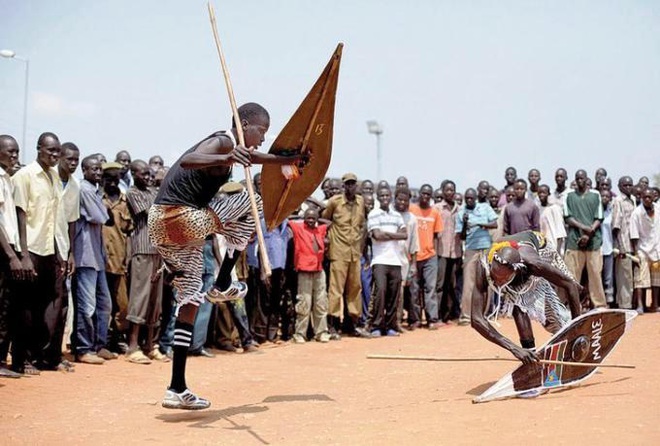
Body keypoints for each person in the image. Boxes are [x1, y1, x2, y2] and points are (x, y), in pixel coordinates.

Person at [148, 102, 300, 410]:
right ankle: (221, 281)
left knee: (190, 299)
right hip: (176, 217)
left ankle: (176, 387)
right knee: (253, 203)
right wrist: (227, 155)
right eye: (261, 131)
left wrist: (286, 159)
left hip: (165, 229)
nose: (262, 138)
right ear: (245, 124)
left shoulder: (238, 151)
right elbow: (190, 159)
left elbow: (254, 158)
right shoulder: (223, 140)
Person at [470, 231, 582, 390]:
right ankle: (532, 358)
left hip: (541, 248)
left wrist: (576, 326)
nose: (498, 282)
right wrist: (514, 348)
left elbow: (569, 285)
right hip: (517, 264)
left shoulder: (534, 264)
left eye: (503, 279)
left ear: (516, 270)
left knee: (554, 321)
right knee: (516, 302)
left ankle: (569, 344)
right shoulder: (483, 265)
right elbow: (476, 320)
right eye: (495, 277)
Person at [12, 132, 75, 374]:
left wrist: (62, 252)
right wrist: (24, 255)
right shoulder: (25, 176)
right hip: (30, 250)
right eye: (51, 151)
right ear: (39, 149)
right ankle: (21, 360)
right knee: (24, 309)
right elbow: (21, 215)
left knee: (48, 308)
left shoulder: (53, 178)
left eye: (58, 151)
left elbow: (57, 220)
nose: (55, 155)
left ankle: (43, 356)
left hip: (50, 250)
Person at [72, 156, 115, 364]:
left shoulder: (96, 191)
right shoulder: (85, 190)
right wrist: (104, 210)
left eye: (100, 169)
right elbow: (102, 217)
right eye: (93, 169)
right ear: (84, 170)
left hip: (97, 256)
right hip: (85, 256)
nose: (98, 172)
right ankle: (83, 348)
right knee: (87, 305)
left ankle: (99, 345)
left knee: (104, 304)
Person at [126, 160, 165, 365]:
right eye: (144, 174)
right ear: (133, 174)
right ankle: (133, 347)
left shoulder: (153, 192)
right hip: (142, 249)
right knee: (139, 299)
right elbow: (154, 214)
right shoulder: (133, 193)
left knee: (154, 302)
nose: (149, 178)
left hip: (158, 250)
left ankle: (151, 345)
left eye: (151, 175)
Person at [322, 173, 370, 338]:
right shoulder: (335, 202)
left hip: (354, 253)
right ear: (344, 186)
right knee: (335, 290)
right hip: (339, 252)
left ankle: (352, 324)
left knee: (355, 289)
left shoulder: (360, 202)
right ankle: (333, 325)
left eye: (353, 184)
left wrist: (362, 249)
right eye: (347, 184)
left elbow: (363, 226)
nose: (350, 187)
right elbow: (325, 220)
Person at [366, 187, 407, 337]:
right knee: (380, 292)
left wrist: (387, 234)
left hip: (395, 260)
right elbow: (377, 235)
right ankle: (376, 326)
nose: (384, 198)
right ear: (378, 197)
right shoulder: (373, 214)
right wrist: (394, 234)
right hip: (380, 260)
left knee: (393, 295)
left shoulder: (396, 215)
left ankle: (391, 326)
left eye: (387, 195)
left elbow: (405, 235)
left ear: (390, 197)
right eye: (382, 195)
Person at [563, 169, 607, 309]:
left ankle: (599, 305)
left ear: (587, 179)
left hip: (593, 242)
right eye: (577, 178)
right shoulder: (569, 196)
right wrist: (584, 228)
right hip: (575, 241)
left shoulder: (595, 196)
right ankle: (573, 305)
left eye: (582, 178)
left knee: (595, 275)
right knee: (571, 276)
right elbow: (568, 218)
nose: (580, 181)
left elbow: (599, 217)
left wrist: (589, 233)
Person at [455, 188, 498, 326]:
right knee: (469, 284)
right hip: (471, 250)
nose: (469, 200)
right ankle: (466, 316)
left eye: (471, 198)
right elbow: (461, 237)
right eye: (466, 198)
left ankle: (484, 315)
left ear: (475, 198)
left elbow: (494, 224)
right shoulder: (461, 213)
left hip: (486, 249)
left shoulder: (485, 208)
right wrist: (465, 224)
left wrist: (480, 224)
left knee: (487, 282)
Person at [289, 208, 331, 343]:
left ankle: (321, 332)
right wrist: (300, 217)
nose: (311, 221)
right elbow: (287, 219)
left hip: (319, 271)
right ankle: (300, 333)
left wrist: (318, 217)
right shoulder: (298, 228)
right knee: (304, 303)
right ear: (304, 218)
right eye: (309, 218)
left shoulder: (320, 230)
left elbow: (329, 222)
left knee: (321, 302)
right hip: (304, 271)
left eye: (314, 218)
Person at [0, 135, 22, 378]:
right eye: (10, 152)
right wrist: (11, 255)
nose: (14, 156)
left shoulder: (7, 179)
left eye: (16, 152)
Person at [408, 184, 444, 329]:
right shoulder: (412, 210)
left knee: (430, 288)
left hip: (430, 256)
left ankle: (432, 319)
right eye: (423, 193)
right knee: (414, 289)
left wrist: (433, 251)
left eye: (428, 194)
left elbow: (436, 235)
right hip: (414, 256)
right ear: (419, 193)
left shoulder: (434, 213)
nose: (425, 197)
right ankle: (415, 319)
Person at [435, 180, 462, 322]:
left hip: (456, 252)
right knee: (440, 285)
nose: (450, 193)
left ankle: (450, 314)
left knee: (452, 285)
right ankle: (437, 315)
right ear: (443, 191)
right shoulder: (437, 208)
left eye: (452, 190)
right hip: (441, 251)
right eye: (447, 190)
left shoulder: (460, 209)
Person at [629, 188, 660, 313]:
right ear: (641, 198)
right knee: (641, 280)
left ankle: (655, 304)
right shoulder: (636, 213)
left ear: (653, 197)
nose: (647, 199)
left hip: (657, 248)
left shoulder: (658, 209)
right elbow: (634, 236)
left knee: (656, 280)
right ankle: (640, 305)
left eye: (650, 197)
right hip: (642, 249)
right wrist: (636, 253)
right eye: (645, 197)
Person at [611, 176, 636, 309]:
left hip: (633, 245)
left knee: (630, 277)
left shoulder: (633, 200)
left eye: (630, 185)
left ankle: (629, 303)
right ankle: (624, 306)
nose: (628, 187)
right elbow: (616, 226)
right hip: (624, 246)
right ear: (619, 187)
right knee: (624, 278)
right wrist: (620, 246)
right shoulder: (618, 201)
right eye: (625, 185)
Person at [537, 184, 566, 253]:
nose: (541, 195)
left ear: (548, 194)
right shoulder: (537, 209)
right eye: (540, 193)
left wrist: (558, 251)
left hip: (553, 246)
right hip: (541, 247)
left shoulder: (554, 208)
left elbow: (560, 233)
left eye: (544, 192)